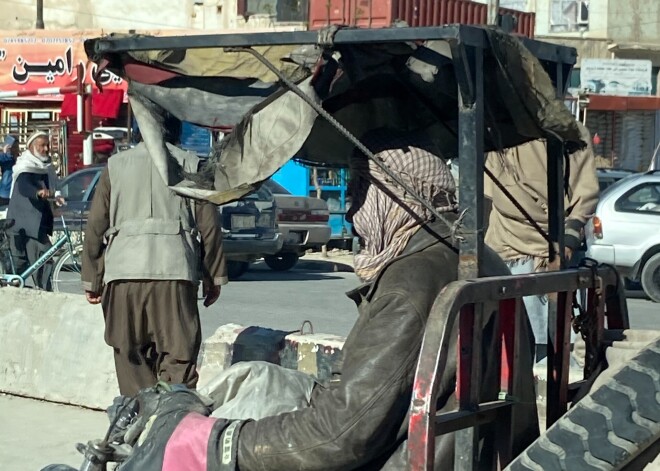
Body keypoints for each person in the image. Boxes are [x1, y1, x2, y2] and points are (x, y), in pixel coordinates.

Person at [109, 130, 539, 471]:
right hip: (450, 441)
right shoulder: (467, 256)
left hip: (403, 454)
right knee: (253, 378)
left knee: (209, 441)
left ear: (404, 198)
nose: (351, 205)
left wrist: (223, 443)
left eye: (363, 187)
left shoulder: (412, 282)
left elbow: (341, 435)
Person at [81, 116, 227, 397]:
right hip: (174, 273)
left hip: (123, 275)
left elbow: (95, 226)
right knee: (178, 357)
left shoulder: (116, 165)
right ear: (177, 132)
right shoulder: (190, 164)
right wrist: (214, 276)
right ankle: (171, 427)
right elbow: (209, 226)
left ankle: (138, 426)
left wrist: (92, 278)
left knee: (130, 356)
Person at [484, 121, 599, 362]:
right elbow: (488, 194)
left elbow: (584, 197)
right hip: (505, 249)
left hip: (554, 253)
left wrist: (567, 242)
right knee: (508, 341)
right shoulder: (500, 132)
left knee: (550, 345)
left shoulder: (571, 132)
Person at [6, 131, 63, 290]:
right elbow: (24, 186)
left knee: (39, 262)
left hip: (37, 224)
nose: (46, 149)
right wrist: (37, 192)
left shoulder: (45, 167)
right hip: (24, 224)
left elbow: (52, 188)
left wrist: (55, 199)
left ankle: (43, 295)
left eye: (47, 145)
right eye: (42, 145)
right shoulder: (25, 167)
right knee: (33, 261)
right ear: (31, 147)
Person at [0, 134, 19, 206]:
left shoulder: (21, 159)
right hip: (5, 194)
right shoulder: (6, 158)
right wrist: (4, 153)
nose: (16, 148)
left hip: (16, 193)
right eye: (13, 146)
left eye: (17, 146)